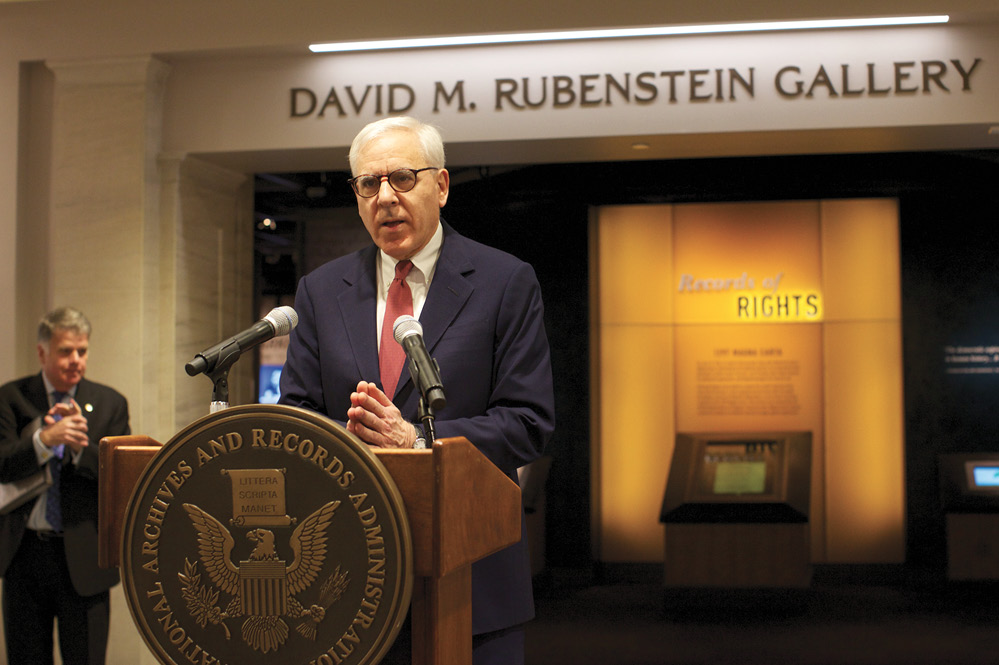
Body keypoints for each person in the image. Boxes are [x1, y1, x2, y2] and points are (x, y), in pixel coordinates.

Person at [279, 116, 555, 664]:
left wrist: (418, 441)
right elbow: (298, 415)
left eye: (402, 178)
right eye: (368, 184)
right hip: (347, 588)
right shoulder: (321, 290)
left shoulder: (504, 282)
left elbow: (528, 421)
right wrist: (353, 442)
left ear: (443, 186)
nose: (385, 197)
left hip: (471, 584)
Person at [0, 306, 130, 665]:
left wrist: (78, 449)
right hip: (23, 556)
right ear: (42, 352)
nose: (75, 360)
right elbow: (2, 465)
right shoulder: (11, 398)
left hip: (86, 558)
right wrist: (43, 440)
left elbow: (119, 475)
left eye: (82, 351)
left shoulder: (110, 403)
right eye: (65, 351)